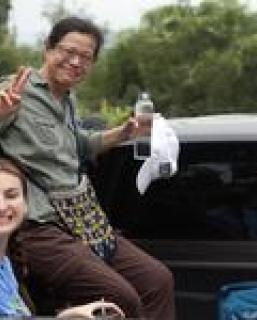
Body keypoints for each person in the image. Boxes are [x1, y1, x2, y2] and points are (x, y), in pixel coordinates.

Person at [0, 16, 175, 319]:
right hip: (38, 230)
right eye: (68, 52)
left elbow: (79, 144)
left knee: (157, 279)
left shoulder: (66, 99)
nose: (75, 62)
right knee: (121, 299)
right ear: (48, 49)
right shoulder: (17, 90)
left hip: (82, 222)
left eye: (85, 57)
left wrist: (123, 133)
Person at [0, 157, 124, 318]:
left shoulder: (7, 263)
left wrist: (67, 315)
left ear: (26, 205)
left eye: (11, 195)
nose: (2, 206)